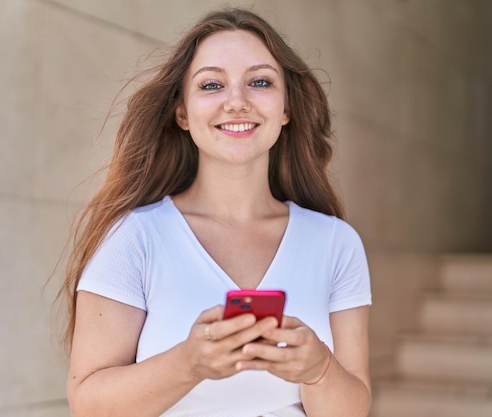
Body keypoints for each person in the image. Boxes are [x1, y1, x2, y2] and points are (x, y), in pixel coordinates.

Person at [58, 7, 372, 417]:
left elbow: (353, 409)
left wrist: (319, 370)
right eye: (211, 85)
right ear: (183, 113)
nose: (237, 102)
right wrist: (188, 363)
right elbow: (88, 404)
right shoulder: (134, 238)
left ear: (285, 109)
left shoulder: (336, 243)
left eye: (260, 82)